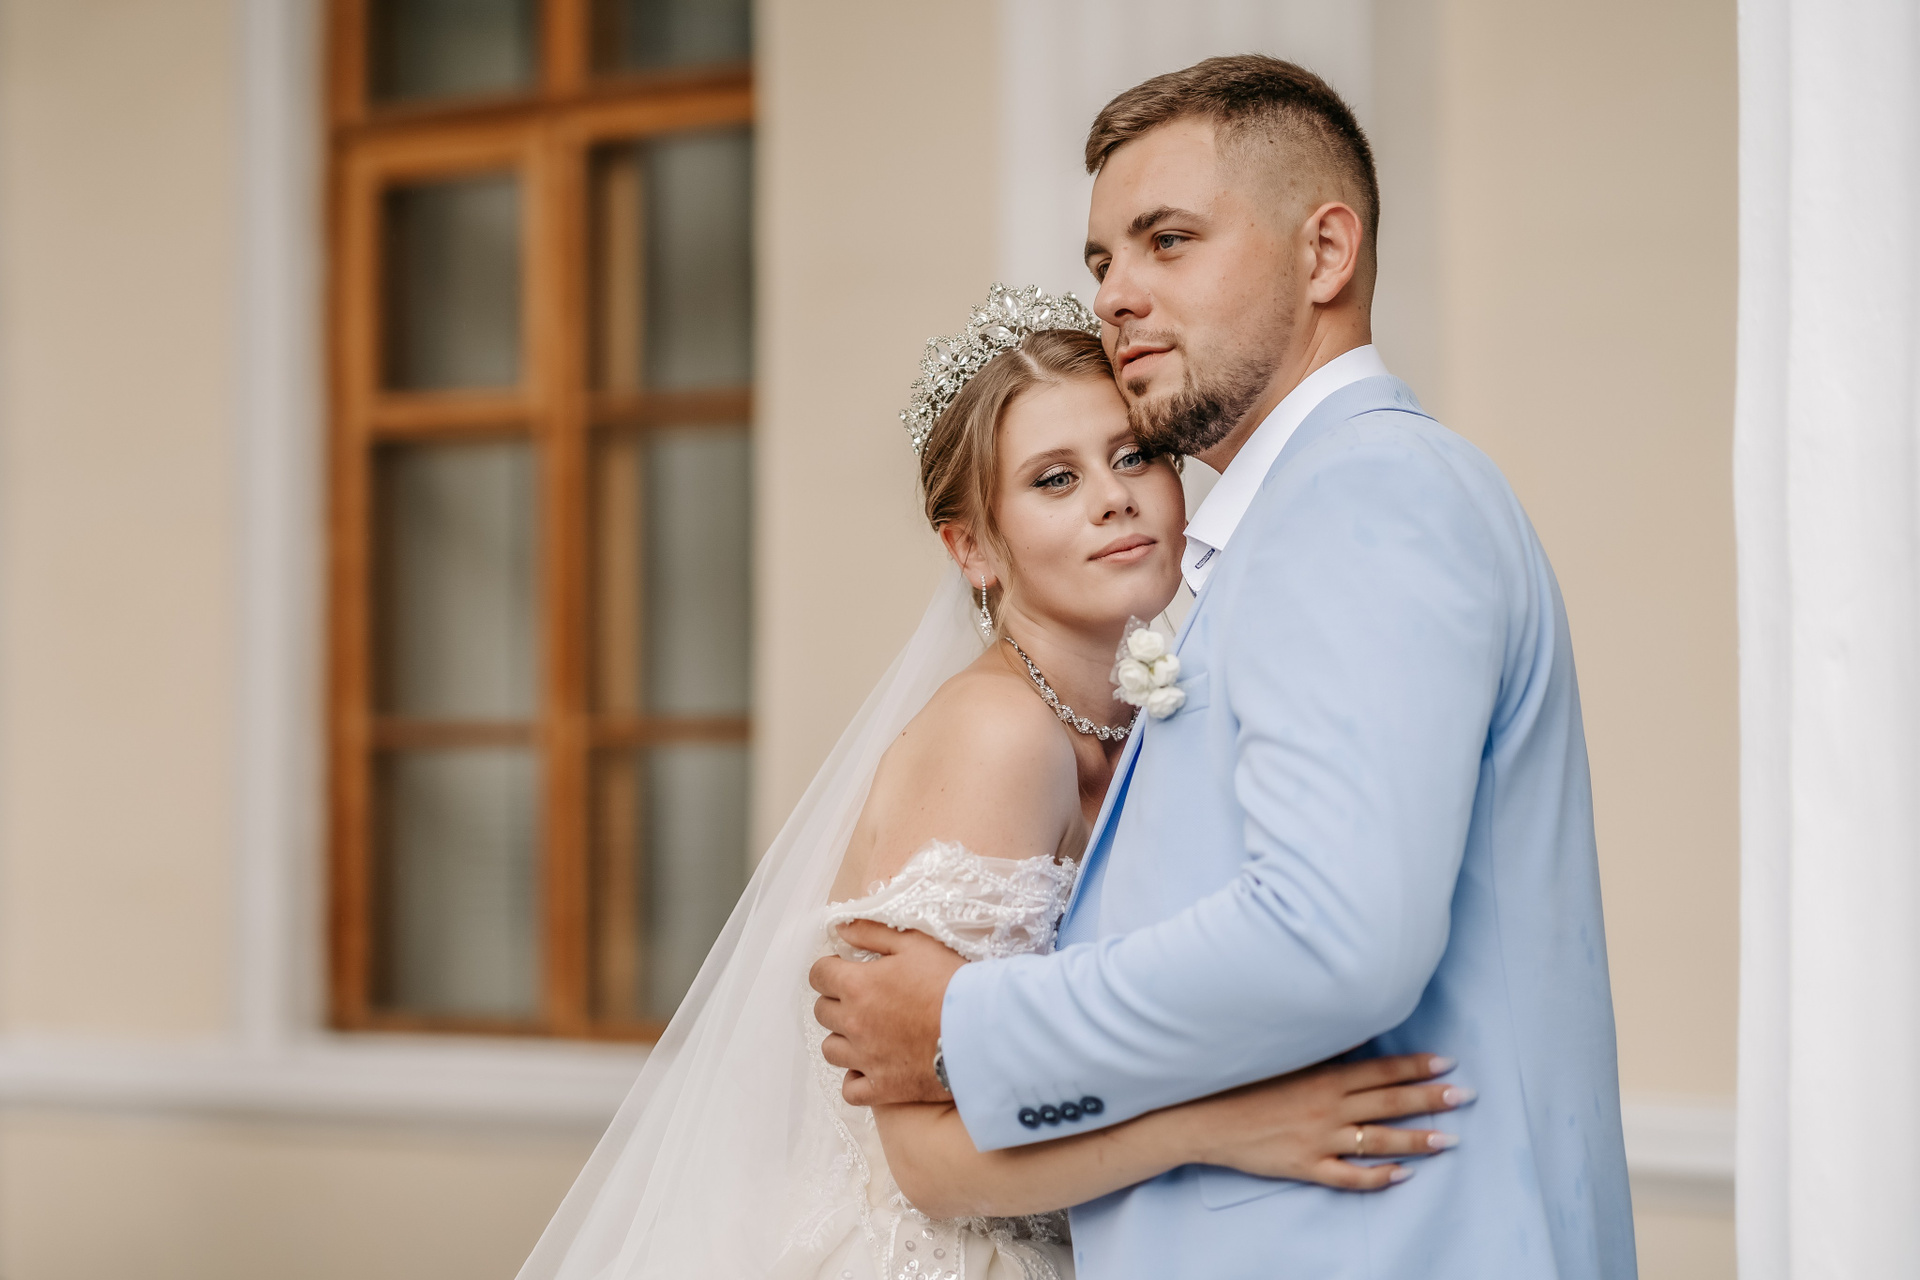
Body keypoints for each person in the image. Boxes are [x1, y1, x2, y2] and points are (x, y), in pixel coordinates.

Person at [810, 55, 1636, 1280]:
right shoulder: (1289, 527)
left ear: (1326, 252)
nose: (1117, 295)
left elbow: (1336, 936)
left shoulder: (1364, 497)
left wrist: (960, 1024)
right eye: (1103, 260)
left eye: (1168, 240)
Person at [514, 289, 1466, 1280]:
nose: (1114, 497)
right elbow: (927, 1162)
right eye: (1055, 478)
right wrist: (1222, 1129)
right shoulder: (996, 736)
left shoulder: (1161, 711)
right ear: (971, 547)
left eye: (1133, 456)